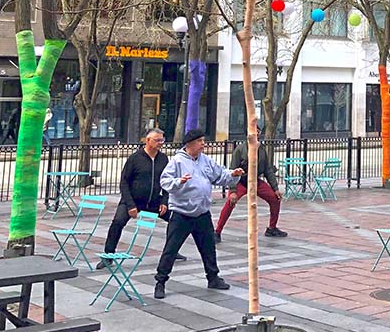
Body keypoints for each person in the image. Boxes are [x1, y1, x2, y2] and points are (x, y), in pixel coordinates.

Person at [154, 128, 243, 299]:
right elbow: (165, 181)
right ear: (190, 143)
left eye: (203, 140)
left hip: (202, 212)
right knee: (171, 249)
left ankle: (213, 277)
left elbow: (220, 175)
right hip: (181, 213)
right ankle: (161, 281)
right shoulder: (177, 161)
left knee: (208, 247)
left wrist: (233, 174)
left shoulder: (206, 160)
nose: (203, 144)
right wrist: (178, 182)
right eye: (200, 141)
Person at [97, 128, 185, 269]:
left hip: (154, 201)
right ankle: (108, 255)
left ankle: (172, 251)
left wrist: (164, 201)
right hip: (133, 200)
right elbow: (124, 182)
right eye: (157, 140)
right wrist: (130, 205)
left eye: (162, 140)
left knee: (176, 220)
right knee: (117, 223)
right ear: (148, 140)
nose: (160, 143)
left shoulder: (163, 159)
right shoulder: (135, 158)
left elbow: (168, 181)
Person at [215, 132, 286, 241]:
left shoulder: (262, 150)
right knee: (230, 202)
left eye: (258, 131)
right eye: (253, 131)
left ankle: (272, 228)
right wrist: (233, 190)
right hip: (241, 181)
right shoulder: (240, 149)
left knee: (275, 199)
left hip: (255, 181)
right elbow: (232, 170)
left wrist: (275, 188)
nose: (256, 133)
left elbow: (268, 170)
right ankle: (217, 231)